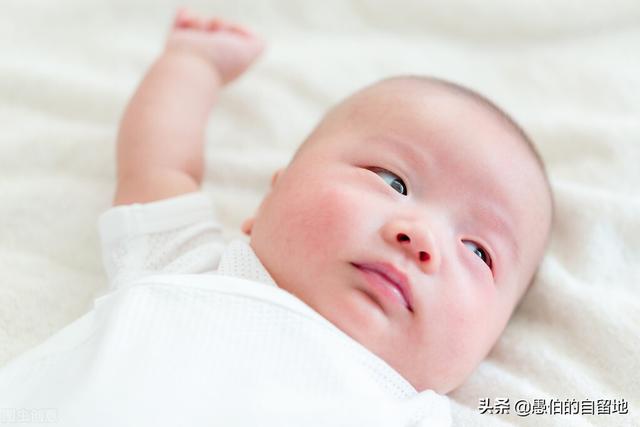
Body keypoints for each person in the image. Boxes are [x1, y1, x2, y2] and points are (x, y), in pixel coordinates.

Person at [0, 8, 553, 426]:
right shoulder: (188, 265)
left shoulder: (426, 412)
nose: (421, 237)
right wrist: (193, 63)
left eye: (479, 251)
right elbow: (158, 158)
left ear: (491, 341)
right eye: (392, 181)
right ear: (268, 199)